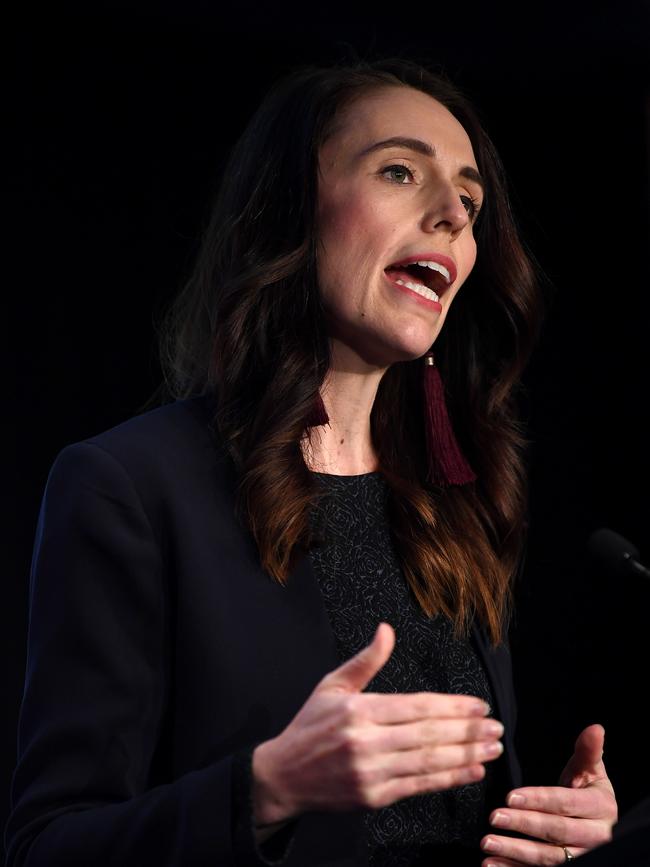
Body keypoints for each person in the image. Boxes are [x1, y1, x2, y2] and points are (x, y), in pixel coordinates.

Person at [5, 59, 618, 867]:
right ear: (290, 210)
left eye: (470, 201)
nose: (452, 217)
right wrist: (267, 790)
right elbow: (48, 846)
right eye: (400, 171)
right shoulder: (131, 488)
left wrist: (557, 832)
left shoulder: (454, 501)